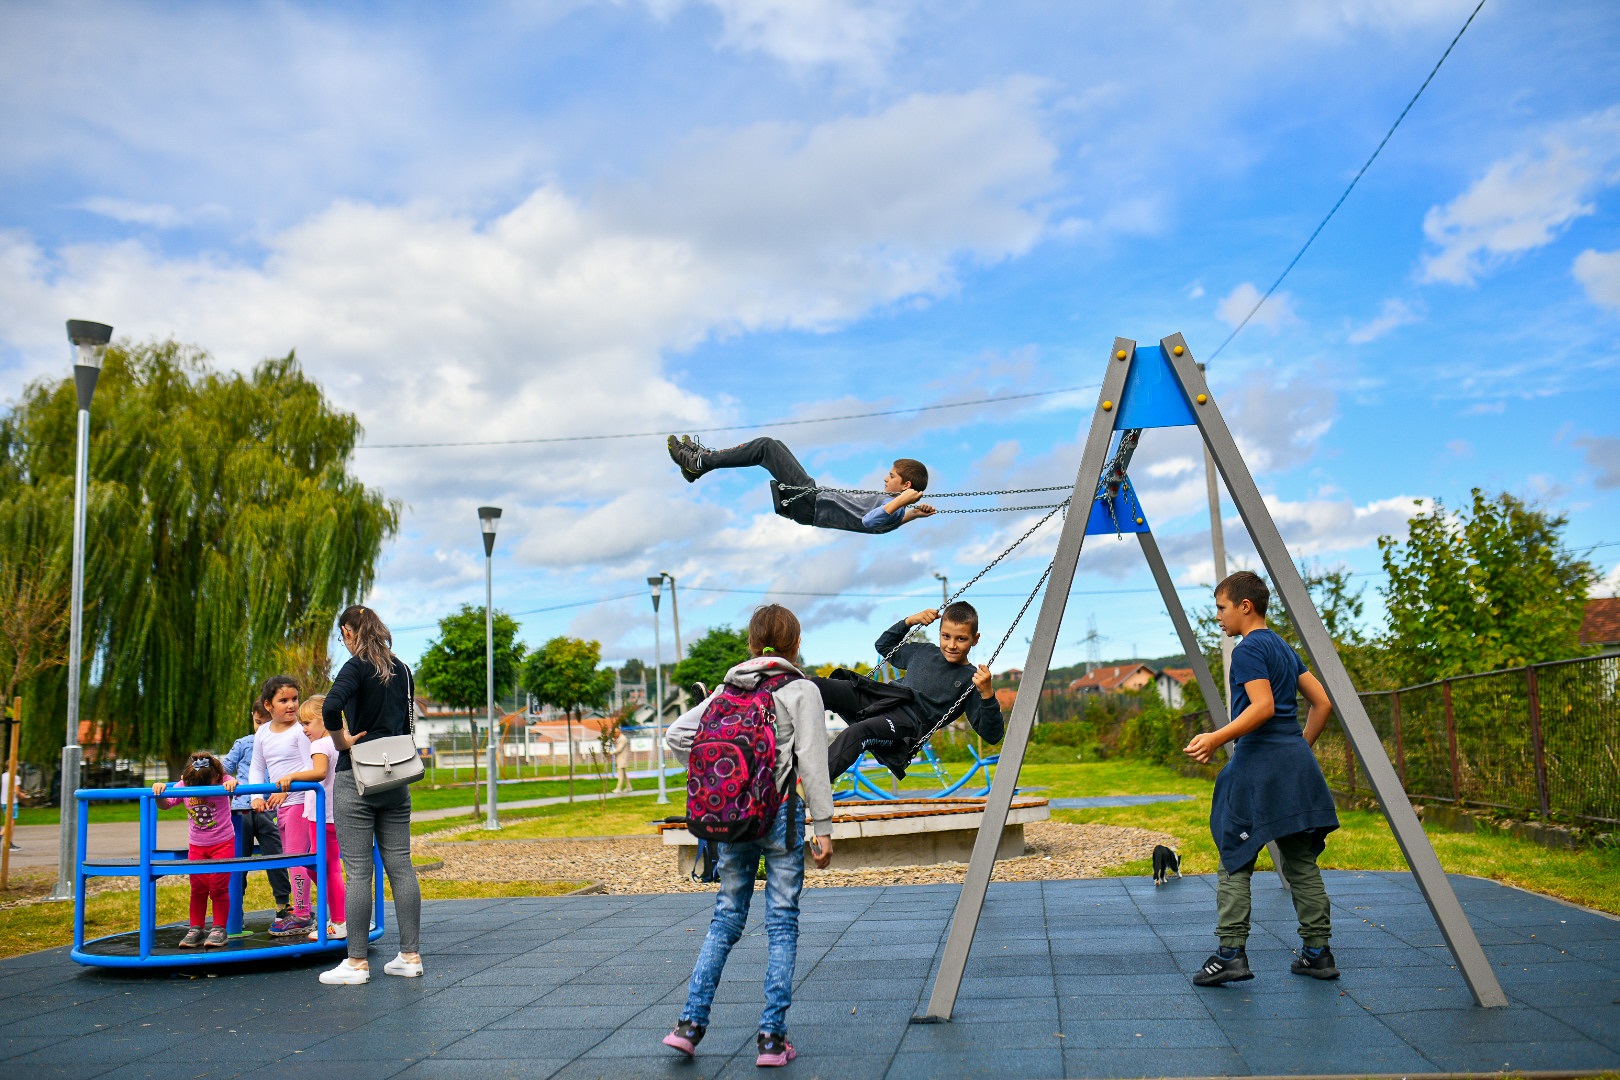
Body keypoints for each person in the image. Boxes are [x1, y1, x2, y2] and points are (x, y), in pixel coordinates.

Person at [661, 604, 835, 1067]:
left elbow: (677, 736)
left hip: (734, 818)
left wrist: (720, 780)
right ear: (795, 643)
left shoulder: (728, 687)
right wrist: (824, 828)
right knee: (781, 924)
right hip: (779, 815)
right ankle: (772, 1040)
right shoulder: (802, 689)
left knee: (725, 918)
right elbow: (814, 764)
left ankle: (689, 1026)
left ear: (752, 644)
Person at [1184, 570, 1341, 986]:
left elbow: (1263, 707)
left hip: (1258, 769)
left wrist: (1217, 738)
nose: (1218, 616)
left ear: (1244, 606)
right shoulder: (1283, 648)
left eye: (1221, 608)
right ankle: (1317, 953)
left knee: (1235, 862)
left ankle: (1230, 955)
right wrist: (1299, 747)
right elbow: (1322, 703)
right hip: (1294, 769)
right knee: (1300, 862)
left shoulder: (1248, 649)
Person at [318, 605, 423, 986]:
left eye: (341, 634)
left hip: (358, 776)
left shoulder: (356, 666)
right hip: (397, 777)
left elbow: (331, 706)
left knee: (360, 870)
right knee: (401, 866)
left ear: (348, 630)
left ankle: (357, 963)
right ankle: (410, 956)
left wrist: (341, 739)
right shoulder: (403, 670)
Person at [817, 601, 1005, 780]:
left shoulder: (970, 679)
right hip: (883, 697)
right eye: (946, 636)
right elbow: (883, 645)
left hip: (906, 724)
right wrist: (910, 621)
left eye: (961, 638)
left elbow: (992, 735)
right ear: (939, 632)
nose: (951, 645)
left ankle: (807, 786)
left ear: (975, 639)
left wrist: (987, 694)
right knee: (820, 686)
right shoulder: (923, 652)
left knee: (859, 732)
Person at [667, 435, 935, 534]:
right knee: (776, 447)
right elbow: (888, 523)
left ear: (905, 485)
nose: (885, 479)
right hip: (812, 499)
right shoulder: (895, 511)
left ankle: (700, 462)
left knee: (766, 447)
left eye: (891, 476)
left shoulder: (892, 506)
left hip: (811, 502)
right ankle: (698, 466)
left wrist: (902, 503)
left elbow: (870, 522)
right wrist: (913, 514)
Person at [250, 675, 317, 938]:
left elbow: (310, 767)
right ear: (268, 705)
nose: (291, 705)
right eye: (283, 700)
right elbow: (257, 767)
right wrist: (256, 795)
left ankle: (302, 914)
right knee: (296, 860)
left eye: (294, 699)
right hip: (282, 804)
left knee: (296, 860)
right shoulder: (264, 732)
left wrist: (287, 789)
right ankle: (336, 905)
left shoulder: (300, 731)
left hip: (300, 802)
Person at [152, 752, 236, 948]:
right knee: (197, 889)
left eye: (202, 788)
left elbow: (234, 786)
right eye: (192, 787)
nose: (196, 792)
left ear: (215, 777)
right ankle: (196, 928)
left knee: (218, 887)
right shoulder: (185, 784)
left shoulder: (222, 780)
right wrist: (159, 792)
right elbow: (165, 805)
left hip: (222, 843)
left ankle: (218, 928)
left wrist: (232, 785)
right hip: (197, 845)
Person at [221, 701, 292, 924]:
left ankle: (283, 905)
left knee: (276, 855)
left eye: (266, 723)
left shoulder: (279, 744)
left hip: (267, 809)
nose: (261, 728)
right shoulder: (244, 743)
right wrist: (229, 782)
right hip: (241, 811)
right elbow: (223, 769)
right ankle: (234, 911)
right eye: (257, 722)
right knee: (238, 861)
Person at [295, 694, 346, 941]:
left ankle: (339, 921)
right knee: (328, 867)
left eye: (307, 723)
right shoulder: (340, 742)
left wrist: (291, 777)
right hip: (337, 813)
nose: (304, 729)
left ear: (324, 719)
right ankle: (341, 917)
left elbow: (319, 772)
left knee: (323, 867)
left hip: (322, 816)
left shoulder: (320, 745)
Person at [610, 722, 633, 793]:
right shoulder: (619, 738)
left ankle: (618, 788)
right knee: (624, 774)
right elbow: (617, 745)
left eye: (615, 733)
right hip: (620, 758)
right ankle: (629, 787)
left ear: (618, 732)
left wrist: (611, 753)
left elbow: (619, 749)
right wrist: (614, 741)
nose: (614, 734)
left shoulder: (623, 738)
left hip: (623, 758)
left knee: (621, 774)